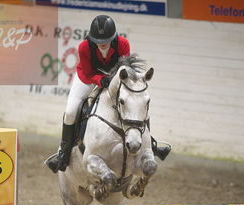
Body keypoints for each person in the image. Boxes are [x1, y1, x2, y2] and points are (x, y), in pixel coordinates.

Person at [45, 15, 170, 174]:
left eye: (105, 40)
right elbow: (89, 73)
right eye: (97, 41)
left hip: (114, 78)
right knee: (70, 111)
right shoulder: (84, 47)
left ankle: (150, 144)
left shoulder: (123, 44)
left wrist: (111, 80)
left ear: (114, 37)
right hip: (88, 78)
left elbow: (126, 68)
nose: (101, 43)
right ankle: (64, 152)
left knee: (136, 102)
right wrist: (101, 80)